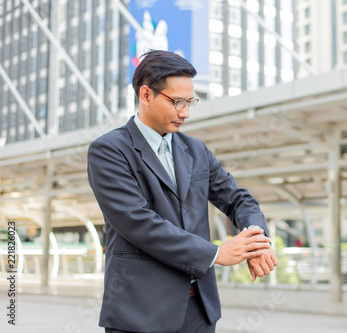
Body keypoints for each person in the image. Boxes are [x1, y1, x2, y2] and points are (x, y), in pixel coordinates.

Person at [87, 50, 278, 333]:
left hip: (199, 312)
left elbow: (237, 198)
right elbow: (138, 223)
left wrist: (256, 240)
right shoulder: (110, 151)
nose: (185, 112)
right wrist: (216, 254)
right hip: (140, 314)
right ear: (146, 95)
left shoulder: (196, 150)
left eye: (190, 102)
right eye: (177, 102)